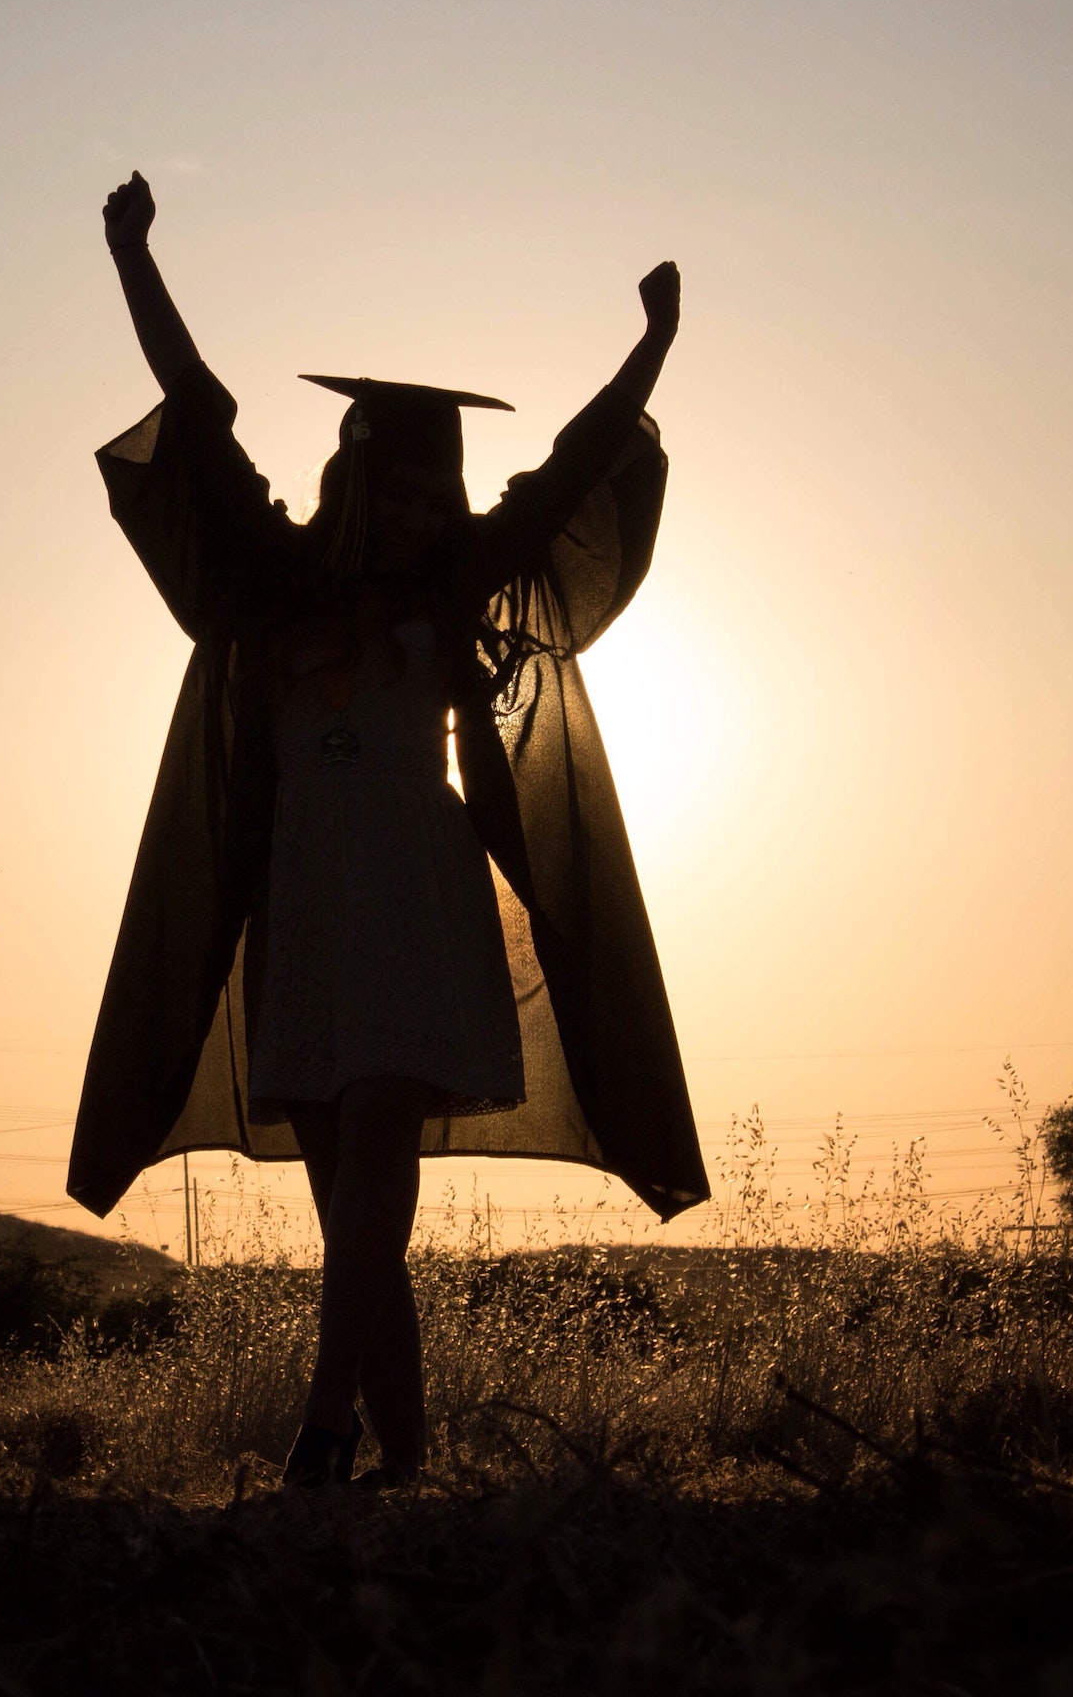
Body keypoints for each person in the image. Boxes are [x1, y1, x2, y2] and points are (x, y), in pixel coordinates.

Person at [68, 171, 708, 1486]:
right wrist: (133, 257)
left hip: (419, 896)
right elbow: (196, 414)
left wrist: (649, 351)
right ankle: (407, 1459)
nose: (419, 511)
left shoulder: (463, 581)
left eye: (436, 492)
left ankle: (320, 1430)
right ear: (351, 473)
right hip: (305, 907)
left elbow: (568, 474)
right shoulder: (274, 573)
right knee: (350, 1199)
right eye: (400, 485)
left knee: (372, 1139)